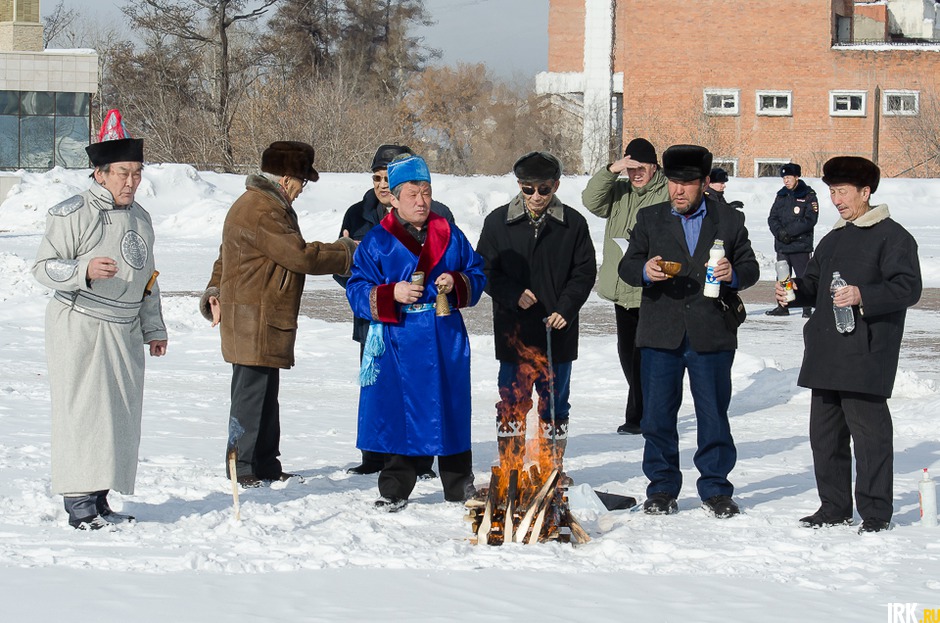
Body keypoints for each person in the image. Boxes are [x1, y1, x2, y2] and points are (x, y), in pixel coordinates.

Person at [32, 110, 168, 530]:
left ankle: (100, 499)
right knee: (85, 413)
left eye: (137, 174)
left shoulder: (142, 218)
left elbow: (148, 279)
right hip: (82, 325)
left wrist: (154, 327)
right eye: (123, 173)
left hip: (125, 329)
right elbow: (42, 267)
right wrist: (83, 270)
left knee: (118, 415)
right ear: (100, 173)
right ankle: (79, 505)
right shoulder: (71, 213)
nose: (131, 182)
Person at [776, 156, 921, 534]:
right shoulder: (833, 239)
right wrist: (791, 291)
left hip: (865, 353)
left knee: (870, 439)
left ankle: (875, 513)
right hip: (825, 353)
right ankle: (834, 507)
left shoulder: (894, 236)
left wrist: (862, 294)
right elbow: (813, 284)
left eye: (842, 192)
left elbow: (908, 288)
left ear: (865, 191)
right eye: (831, 192)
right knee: (825, 439)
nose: (836, 199)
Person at [200, 141, 355, 488]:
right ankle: (241, 467)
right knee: (252, 395)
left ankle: (266, 463)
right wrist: (347, 251)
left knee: (264, 395)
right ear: (286, 180)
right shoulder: (263, 210)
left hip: (258, 316)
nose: (302, 191)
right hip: (254, 318)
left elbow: (225, 257)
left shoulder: (260, 205)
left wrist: (214, 291)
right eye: (302, 183)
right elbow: (299, 256)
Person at [619, 144, 759, 519]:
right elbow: (628, 266)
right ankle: (662, 487)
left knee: (713, 414)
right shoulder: (649, 219)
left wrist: (736, 274)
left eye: (687, 183)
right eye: (673, 182)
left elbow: (750, 266)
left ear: (703, 183)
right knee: (658, 417)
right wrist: (646, 271)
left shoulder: (728, 220)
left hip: (710, 333)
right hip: (660, 334)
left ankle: (715, 489)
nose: (678, 190)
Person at [345, 154, 486, 511]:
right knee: (399, 410)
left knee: (450, 405)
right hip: (398, 339)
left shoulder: (450, 234)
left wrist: (456, 281)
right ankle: (395, 486)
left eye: (426, 192)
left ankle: (457, 483)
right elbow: (357, 287)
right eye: (412, 193)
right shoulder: (377, 241)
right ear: (393, 197)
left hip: (444, 335)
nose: (422, 201)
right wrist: (391, 293)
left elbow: (478, 272)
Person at [476, 151, 596, 481]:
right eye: (528, 189)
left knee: (555, 404)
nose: (536, 197)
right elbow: (483, 269)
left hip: (557, 331)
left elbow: (584, 272)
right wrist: (512, 293)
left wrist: (566, 308)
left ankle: (551, 468)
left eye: (543, 189)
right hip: (514, 331)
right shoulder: (498, 222)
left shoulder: (573, 224)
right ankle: (512, 466)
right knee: (512, 401)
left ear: (555, 185)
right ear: (519, 186)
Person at [335, 144, 453, 479]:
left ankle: (420, 460)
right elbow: (345, 271)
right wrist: (358, 268)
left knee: (421, 391)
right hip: (376, 322)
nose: (383, 184)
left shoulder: (436, 216)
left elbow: (449, 262)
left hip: (421, 324)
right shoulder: (358, 214)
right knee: (378, 390)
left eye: (389, 177)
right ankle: (374, 456)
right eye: (377, 177)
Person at [582, 137, 669, 436]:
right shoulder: (619, 192)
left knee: (644, 354)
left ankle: (639, 416)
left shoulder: (665, 193)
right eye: (630, 169)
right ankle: (646, 410)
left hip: (652, 288)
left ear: (654, 167)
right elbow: (590, 201)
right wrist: (611, 170)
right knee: (626, 352)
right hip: (623, 286)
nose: (635, 174)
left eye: (640, 168)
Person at [766, 163, 818, 318]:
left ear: (796, 177)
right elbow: (772, 217)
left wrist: (789, 232)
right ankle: (783, 306)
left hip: (800, 245)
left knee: (803, 277)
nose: (786, 181)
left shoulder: (808, 195)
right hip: (782, 244)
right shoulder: (781, 195)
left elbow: (810, 219)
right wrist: (780, 232)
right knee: (783, 276)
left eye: (789, 177)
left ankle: (807, 307)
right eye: (784, 178)